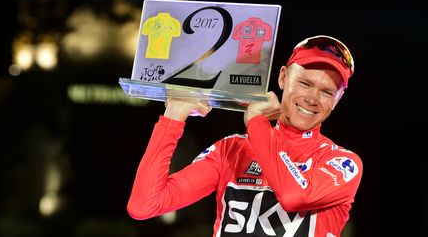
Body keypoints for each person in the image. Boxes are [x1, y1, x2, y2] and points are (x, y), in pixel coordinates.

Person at [127, 35, 363, 237]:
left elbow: (293, 196)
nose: (312, 98)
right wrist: (173, 116)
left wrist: (257, 122)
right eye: (304, 83)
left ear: (338, 99)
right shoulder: (231, 149)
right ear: (283, 78)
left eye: (327, 92)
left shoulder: (342, 163)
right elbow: (144, 205)